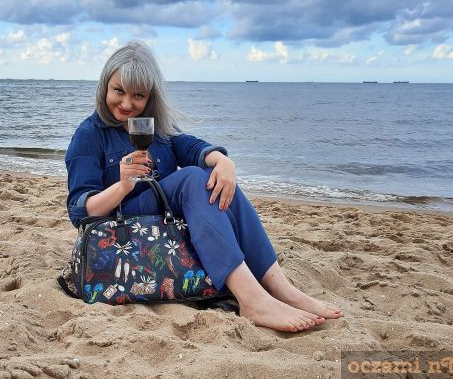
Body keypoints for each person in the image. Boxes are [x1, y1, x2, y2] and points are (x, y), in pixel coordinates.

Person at [65, 41, 342, 332]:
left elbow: (190, 146)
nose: (126, 103)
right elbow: (80, 212)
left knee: (217, 179)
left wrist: (222, 161)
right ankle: (251, 299)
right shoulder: (89, 134)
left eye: (138, 95)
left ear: (150, 97)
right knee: (192, 179)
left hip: (163, 223)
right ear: (105, 87)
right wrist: (123, 186)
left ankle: (283, 290)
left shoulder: (154, 127)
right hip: (122, 227)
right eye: (119, 91)